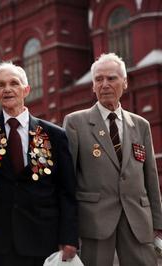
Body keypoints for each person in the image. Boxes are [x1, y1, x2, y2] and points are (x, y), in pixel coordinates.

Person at [63, 53, 162, 266]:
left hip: (137, 218)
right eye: (99, 79)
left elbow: (150, 177)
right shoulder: (75, 123)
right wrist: (67, 228)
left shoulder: (141, 124)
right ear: (93, 86)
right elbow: (67, 180)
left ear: (124, 82)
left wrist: (158, 223)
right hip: (95, 221)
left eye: (111, 78)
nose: (104, 84)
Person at [0, 62, 78, 266]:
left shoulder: (54, 135)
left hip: (45, 235)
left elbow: (67, 190)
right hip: (2, 238)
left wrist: (69, 236)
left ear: (26, 89)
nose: (7, 89)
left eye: (14, 83)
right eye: (1, 85)